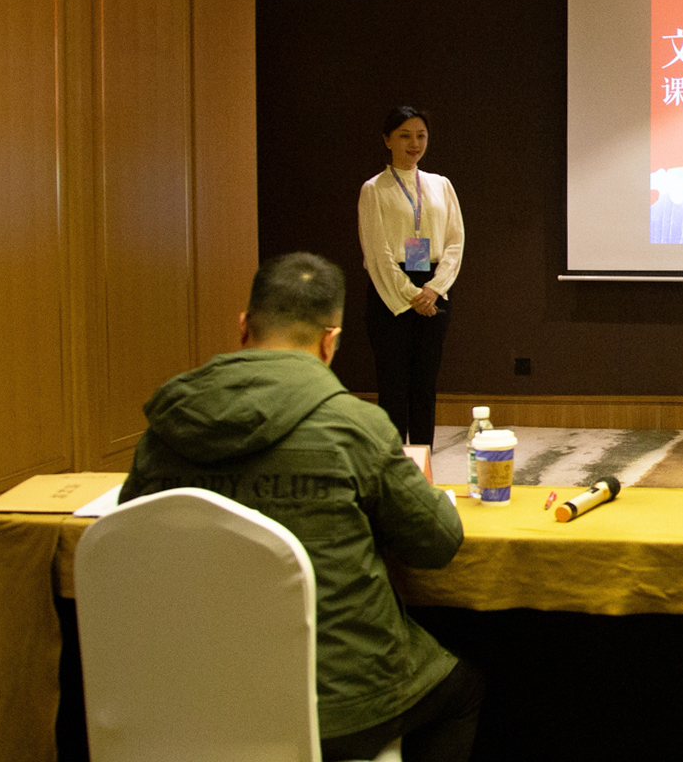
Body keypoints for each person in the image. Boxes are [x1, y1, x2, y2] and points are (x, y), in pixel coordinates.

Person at [121, 253, 481, 762]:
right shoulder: (355, 427)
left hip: (186, 699)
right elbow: (438, 543)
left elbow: (130, 539)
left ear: (243, 327)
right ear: (330, 342)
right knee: (462, 690)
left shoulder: (164, 429)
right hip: (341, 710)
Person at [359, 105, 465, 446]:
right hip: (390, 291)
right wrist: (411, 295)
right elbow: (377, 252)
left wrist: (433, 289)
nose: (414, 143)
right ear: (387, 140)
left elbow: (455, 241)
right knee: (393, 385)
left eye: (421, 135)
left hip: (434, 288)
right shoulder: (374, 189)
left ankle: (423, 462)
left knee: (425, 384)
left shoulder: (441, 184)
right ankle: (394, 464)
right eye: (404, 136)